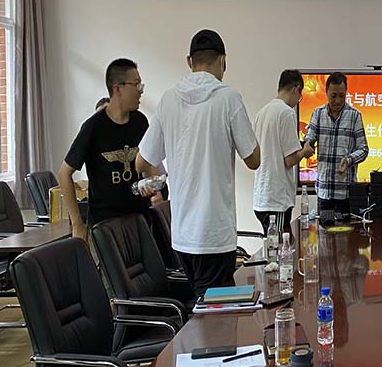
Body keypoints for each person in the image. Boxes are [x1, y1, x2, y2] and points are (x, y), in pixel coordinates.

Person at [137, 29, 261, 298]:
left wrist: (161, 181)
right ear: (223, 61)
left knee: (205, 304)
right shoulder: (228, 98)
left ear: (189, 62)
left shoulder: (168, 100)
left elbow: (142, 160)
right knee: (213, 313)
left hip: (183, 236)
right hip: (215, 234)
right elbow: (253, 160)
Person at [59, 58, 152, 240]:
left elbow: (146, 164)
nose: (140, 91)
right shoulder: (93, 128)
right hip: (106, 226)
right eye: (136, 84)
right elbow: (64, 174)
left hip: (139, 220)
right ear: (117, 89)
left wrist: (149, 183)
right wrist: (77, 223)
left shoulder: (140, 122)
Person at [253, 69, 314, 234]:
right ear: (296, 89)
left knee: (271, 244)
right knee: (280, 247)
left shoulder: (261, 113)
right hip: (277, 199)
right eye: (300, 96)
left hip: (261, 196)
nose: (298, 101)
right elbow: (289, 159)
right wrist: (305, 152)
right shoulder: (286, 113)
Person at [302, 72, 369, 216]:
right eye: (333, 96)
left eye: (341, 96)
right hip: (324, 191)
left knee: (347, 230)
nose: (338, 101)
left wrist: (349, 160)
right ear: (326, 92)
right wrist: (307, 145)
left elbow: (363, 149)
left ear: (346, 93)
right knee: (323, 230)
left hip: (345, 193)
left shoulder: (354, 116)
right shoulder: (318, 113)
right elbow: (310, 136)